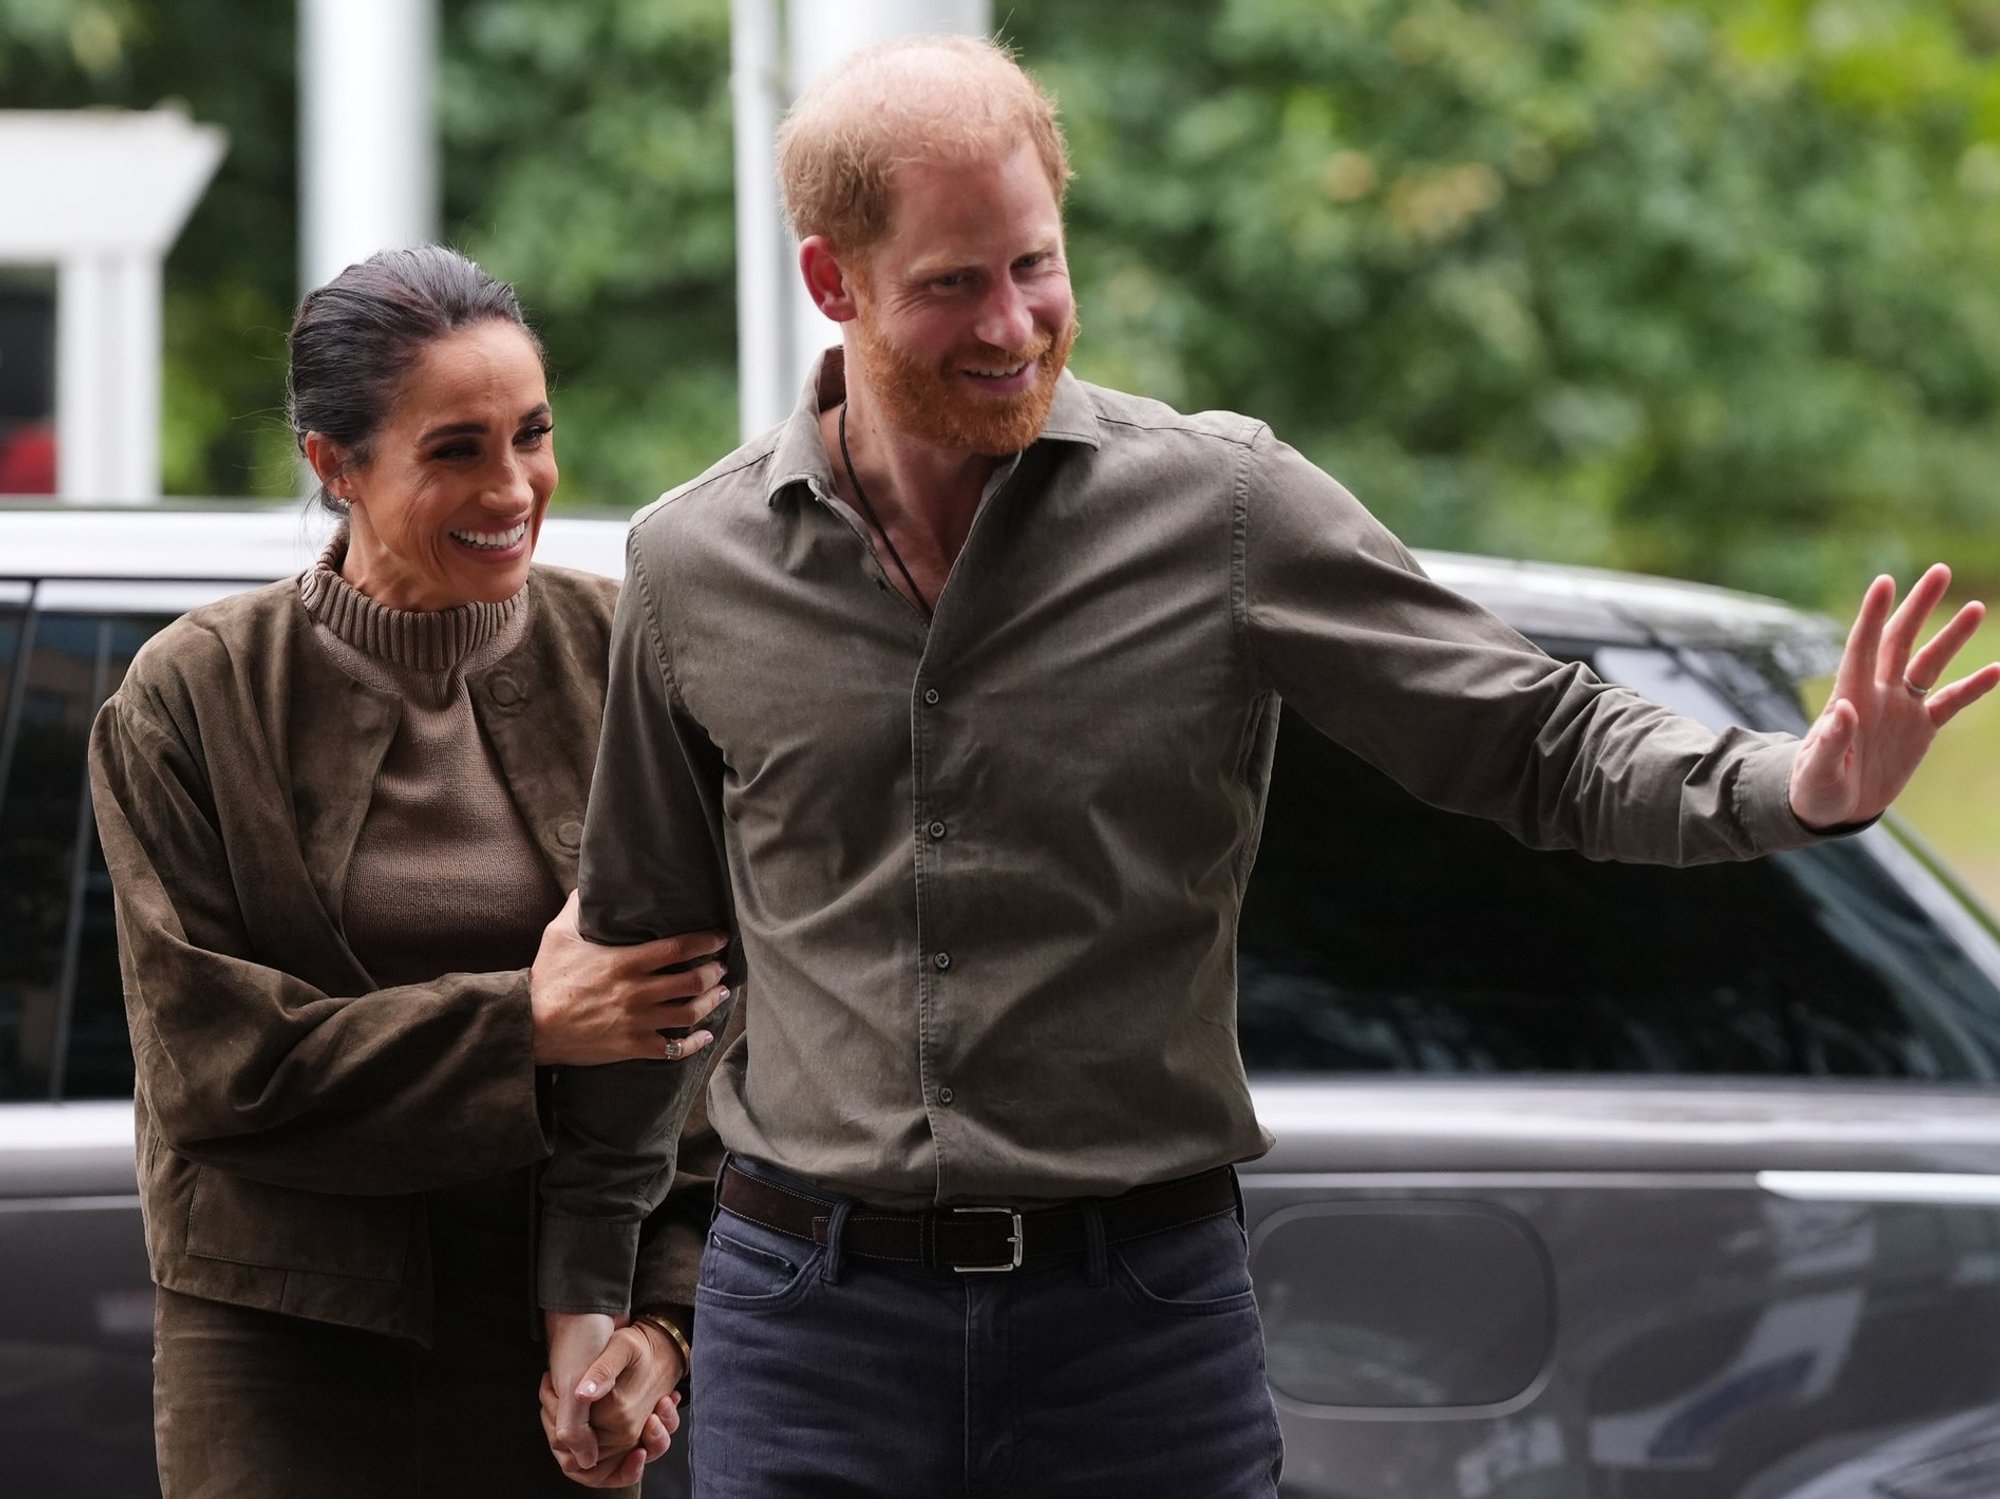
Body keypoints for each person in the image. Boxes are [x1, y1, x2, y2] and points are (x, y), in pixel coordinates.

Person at [541, 36, 2000, 1497]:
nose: (1014, 324)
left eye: (1036, 264)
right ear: (831, 283)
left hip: (1134, 1321)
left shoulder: (1223, 511)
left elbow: (1532, 732)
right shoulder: (693, 562)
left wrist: (1799, 780)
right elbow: (643, 964)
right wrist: (599, 1292)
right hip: (813, 1320)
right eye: (952, 283)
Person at [88, 245, 727, 1497]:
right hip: (282, 1333)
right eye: (455, 449)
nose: (514, 485)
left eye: (531, 434)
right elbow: (222, 1067)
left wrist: (661, 1322)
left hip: (570, 1334)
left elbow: (720, 1033)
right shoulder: (193, 695)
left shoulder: (633, 655)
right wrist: (528, 1023)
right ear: (335, 463)